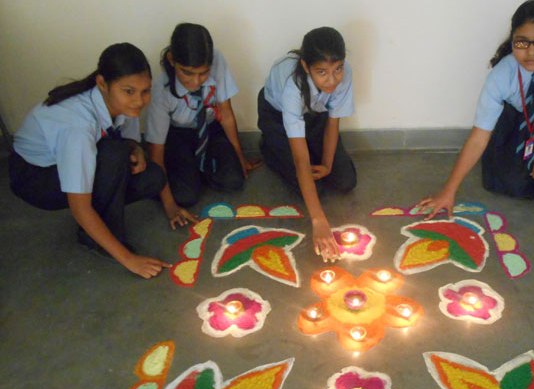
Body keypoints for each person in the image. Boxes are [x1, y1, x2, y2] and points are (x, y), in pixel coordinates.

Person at [419, 0, 534, 218]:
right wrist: (448, 191)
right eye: (522, 42)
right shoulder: (502, 74)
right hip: (524, 119)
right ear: (513, 40)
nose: (531, 52)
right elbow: (479, 137)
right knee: (510, 184)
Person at [9, 43, 172, 279]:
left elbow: (126, 139)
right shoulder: (78, 127)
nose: (139, 100)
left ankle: (100, 219)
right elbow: (79, 207)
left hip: (82, 156)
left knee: (152, 177)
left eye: (145, 91)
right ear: (102, 84)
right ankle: (97, 239)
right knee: (114, 155)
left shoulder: (122, 104)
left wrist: (135, 147)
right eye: (129, 91)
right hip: (34, 177)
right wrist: (130, 260)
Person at [258, 26, 357, 262]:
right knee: (315, 189)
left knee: (345, 180)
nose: (332, 80)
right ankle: (269, 147)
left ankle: (314, 152)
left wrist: (327, 164)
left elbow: (333, 122)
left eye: (338, 69)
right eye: (322, 72)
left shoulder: (344, 75)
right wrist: (318, 221)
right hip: (276, 116)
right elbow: (300, 159)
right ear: (305, 66)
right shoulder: (292, 87)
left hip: (315, 114)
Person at [146, 23, 260, 210]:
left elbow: (225, 112)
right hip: (178, 134)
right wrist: (170, 206)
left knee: (234, 180)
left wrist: (240, 156)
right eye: (187, 73)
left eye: (203, 73)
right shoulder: (161, 90)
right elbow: (156, 150)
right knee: (186, 196)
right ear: (172, 60)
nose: (196, 81)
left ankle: (198, 169)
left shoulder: (217, 59)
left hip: (210, 128)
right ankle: (192, 171)